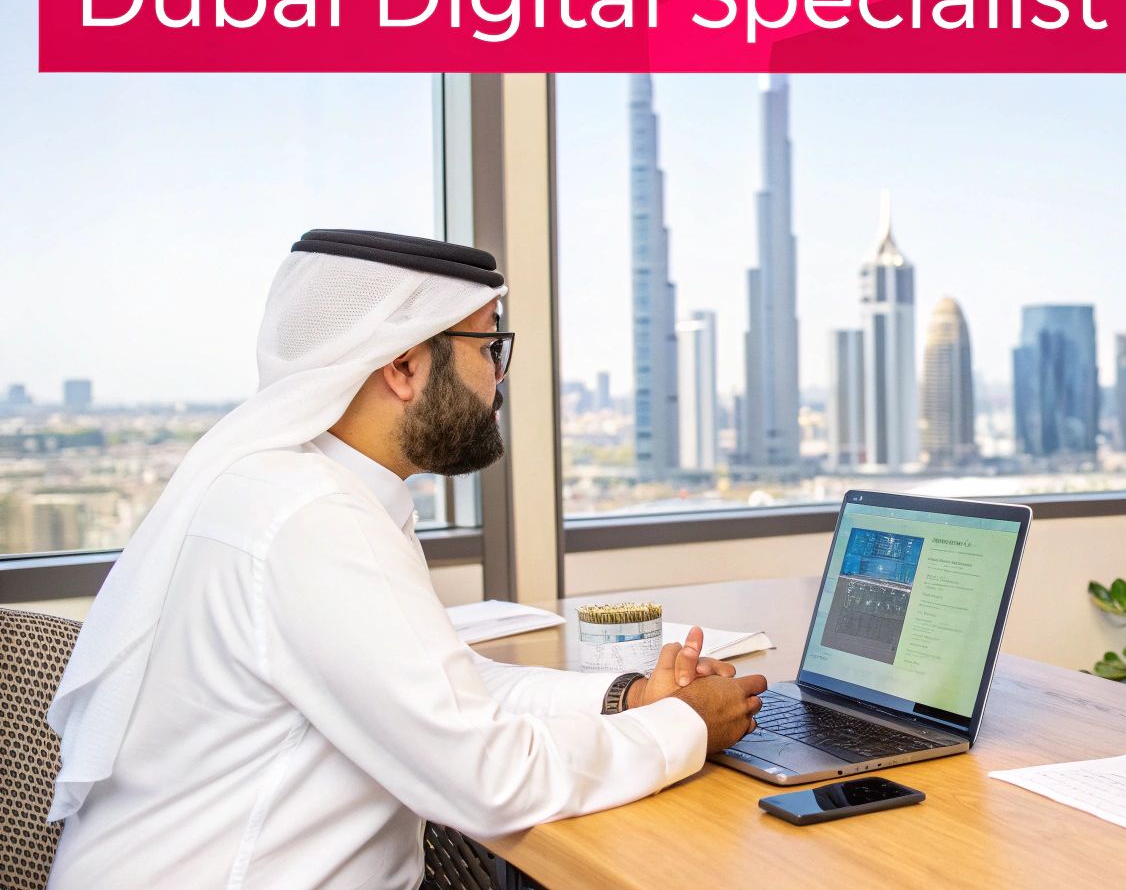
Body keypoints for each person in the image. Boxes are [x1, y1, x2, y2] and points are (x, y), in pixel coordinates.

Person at [46, 230, 766, 888]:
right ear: (403, 366)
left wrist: (629, 699)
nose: (500, 379)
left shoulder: (305, 489)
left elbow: (449, 685)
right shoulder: (311, 521)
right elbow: (491, 782)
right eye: (489, 348)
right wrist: (688, 725)